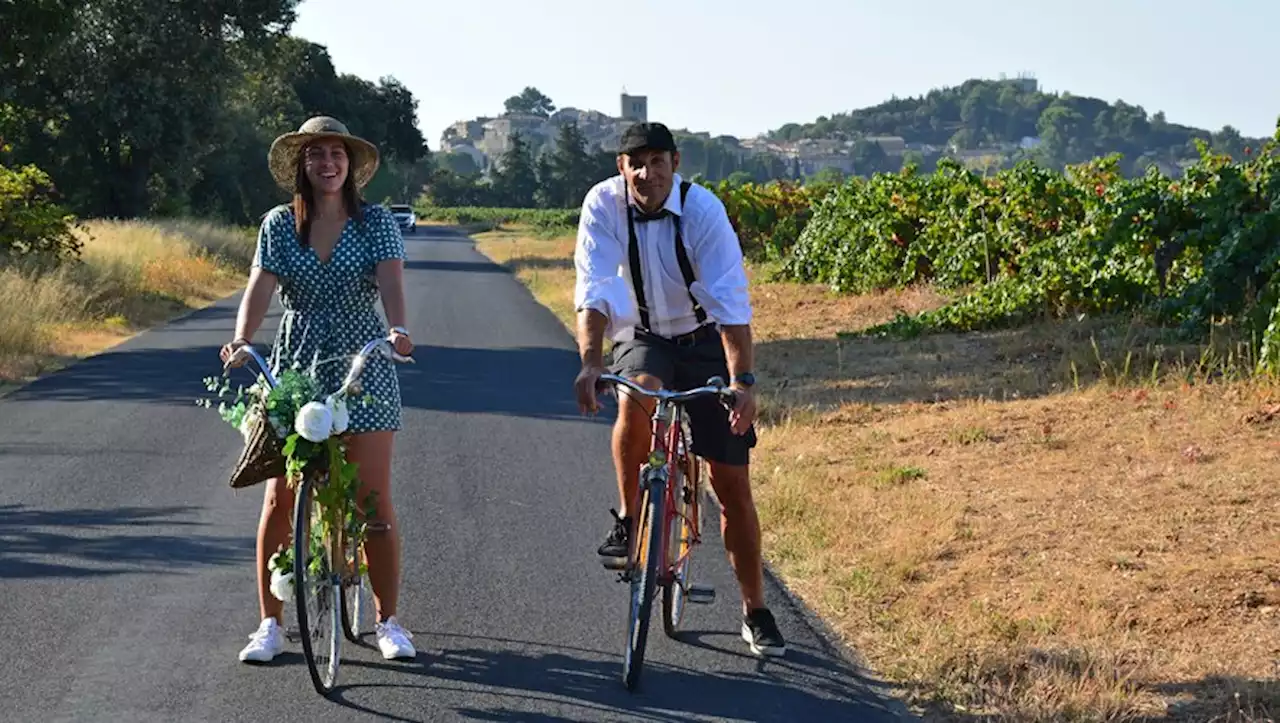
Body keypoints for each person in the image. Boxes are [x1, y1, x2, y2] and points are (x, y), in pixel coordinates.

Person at [572, 121, 786, 657]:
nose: (648, 173)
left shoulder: (703, 211)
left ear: (676, 162)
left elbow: (731, 302)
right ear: (622, 168)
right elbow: (594, 286)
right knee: (635, 396)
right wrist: (590, 363)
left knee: (731, 481)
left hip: (704, 338)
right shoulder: (603, 204)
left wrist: (742, 384)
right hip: (644, 334)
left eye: (658, 161)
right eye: (636, 162)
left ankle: (754, 609)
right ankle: (628, 520)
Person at [219, 116, 417, 663]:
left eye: (336, 154)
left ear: (350, 165)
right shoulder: (280, 224)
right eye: (315, 155)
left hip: (362, 360)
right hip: (296, 362)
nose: (327, 163)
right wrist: (241, 340)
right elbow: (259, 288)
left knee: (372, 499)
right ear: (301, 166)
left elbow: (393, 282)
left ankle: (389, 621)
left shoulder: (375, 221)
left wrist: (398, 331)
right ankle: (269, 625)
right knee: (280, 499)